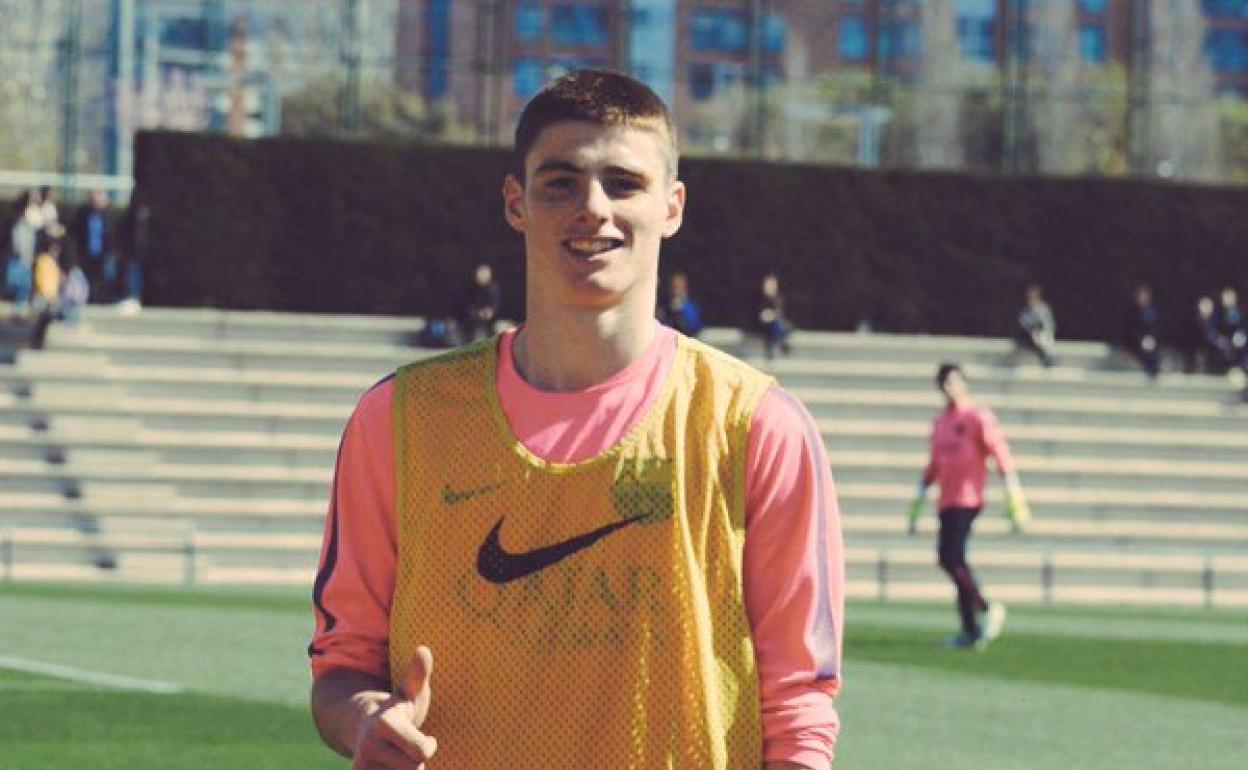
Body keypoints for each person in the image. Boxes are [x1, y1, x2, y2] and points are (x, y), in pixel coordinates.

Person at [308, 69, 844, 770]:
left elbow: (800, 702)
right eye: (560, 182)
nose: (592, 207)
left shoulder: (758, 425)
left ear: (673, 206)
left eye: (624, 183)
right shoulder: (399, 420)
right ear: (515, 203)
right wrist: (365, 720)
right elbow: (341, 668)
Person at [907, 363, 1030, 650]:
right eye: (945, 383)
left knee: (950, 557)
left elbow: (999, 452)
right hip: (947, 499)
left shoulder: (977, 417)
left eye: (954, 382)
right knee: (954, 560)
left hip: (968, 498)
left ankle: (986, 607)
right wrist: (918, 498)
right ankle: (970, 630)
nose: (950, 388)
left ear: (963, 384)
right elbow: (935, 464)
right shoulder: (941, 423)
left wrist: (1013, 491)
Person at [73, 190, 119, 304]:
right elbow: (77, 233)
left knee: (105, 277)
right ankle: (91, 299)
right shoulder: (84, 214)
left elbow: (113, 234)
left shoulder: (109, 215)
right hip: (88, 252)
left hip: (104, 252)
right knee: (89, 277)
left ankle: (104, 299)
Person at [1121, 283, 1161, 379]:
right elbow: (1130, 329)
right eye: (1140, 296)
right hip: (1135, 342)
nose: (1142, 298)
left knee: (1151, 349)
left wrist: (1151, 338)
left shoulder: (1153, 311)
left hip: (1150, 341)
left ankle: (1153, 371)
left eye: (1145, 296)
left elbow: (1156, 328)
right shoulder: (1131, 312)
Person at [752, 271, 791, 359]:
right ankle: (782, 343)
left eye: (773, 285)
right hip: (760, 325)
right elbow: (754, 314)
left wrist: (772, 316)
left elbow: (780, 314)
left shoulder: (779, 298)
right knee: (773, 324)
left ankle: (776, 346)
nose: (771, 287)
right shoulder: (757, 298)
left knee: (776, 324)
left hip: (774, 324)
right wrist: (763, 316)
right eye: (768, 285)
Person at [459, 262, 502, 342]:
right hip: (473, 322)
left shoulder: (494, 289)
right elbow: (466, 306)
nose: (483, 276)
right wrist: (477, 313)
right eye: (481, 273)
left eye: (485, 273)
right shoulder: (470, 289)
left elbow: (495, 305)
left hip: (492, 322)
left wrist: (491, 311)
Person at [1015, 283, 1056, 367]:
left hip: (1043, 335)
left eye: (1034, 296)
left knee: (1043, 338)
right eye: (1030, 296)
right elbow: (1023, 323)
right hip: (1029, 337)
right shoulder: (1026, 311)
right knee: (1034, 335)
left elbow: (1048, 325)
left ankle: (1046, 356)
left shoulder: (1043, 309)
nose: (1032, 298)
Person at [656, 270, 703, 337]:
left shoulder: (691, 308)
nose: (675, 290)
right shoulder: (666, 306)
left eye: (677, 287)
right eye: (673, 287)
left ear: (684, 287)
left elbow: (695, 327)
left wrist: (680, 311)